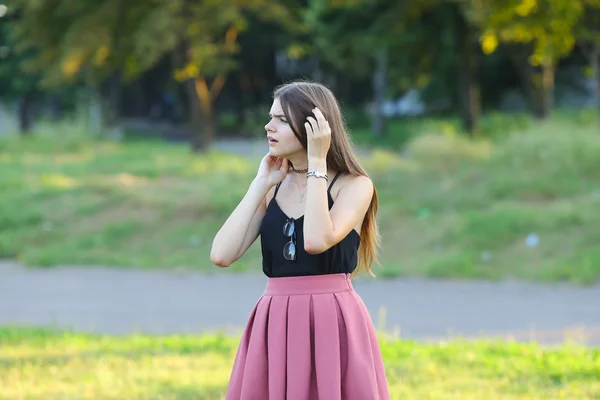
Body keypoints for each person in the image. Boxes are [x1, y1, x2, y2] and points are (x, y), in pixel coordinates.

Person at [210, 80, 390, 400]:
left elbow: (317, 240)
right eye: (270, 117)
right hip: (275, 319)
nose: (269, 126)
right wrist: (260, 184)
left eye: (280, 119)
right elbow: (221, 254)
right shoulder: (274, 187)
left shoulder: (355, 186)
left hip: (331, 319)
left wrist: (317, 164)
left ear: (313, 127)